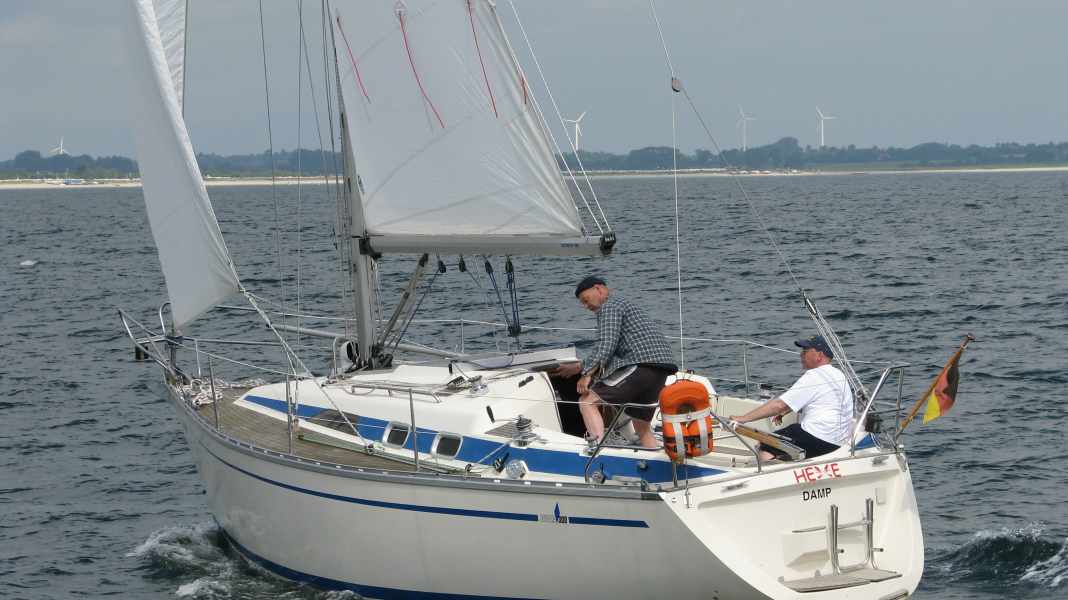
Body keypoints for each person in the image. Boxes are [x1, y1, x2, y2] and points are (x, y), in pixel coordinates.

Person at [552, 276, 677, 448]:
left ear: (599, 289)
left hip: (641, 364)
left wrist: (587, 374)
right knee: (642, 427)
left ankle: (598, 449)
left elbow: (606, 343)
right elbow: (611, 348)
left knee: (587, 401)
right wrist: (580, 367)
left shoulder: (609, 306)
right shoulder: (623, 304)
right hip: (660, 368)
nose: (585, 306)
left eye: (585, 300)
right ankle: (656, 459)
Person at [730, 335, 854, 461]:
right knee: (790, 433)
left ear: (819, 355)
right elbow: (821, 403)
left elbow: (778, 405)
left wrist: (742, 419)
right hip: (838, 443)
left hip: (819, 438)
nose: (801, 355)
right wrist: (785, 411)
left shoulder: (815, 375)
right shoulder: (839, 375)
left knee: (765, 443)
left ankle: (766, 474)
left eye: (805, 351)